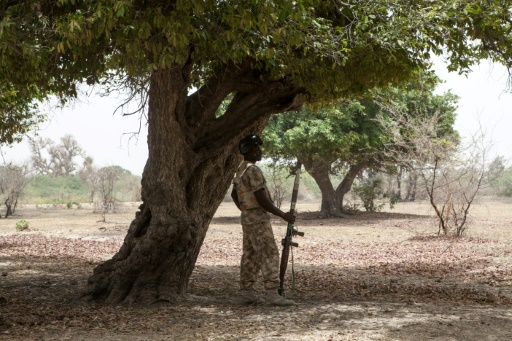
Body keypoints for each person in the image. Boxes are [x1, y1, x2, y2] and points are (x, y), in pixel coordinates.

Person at [231, 134, 297, 306]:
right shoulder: (253, 170)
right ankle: (272, 294)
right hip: (258, 219)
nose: (259, 151)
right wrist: (282, 215)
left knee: (250, 254)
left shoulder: (241, 168)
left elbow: (234, 194)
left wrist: (246, 210)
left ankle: (246, 292)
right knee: (269, 253)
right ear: (249, 151)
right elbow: (261, 197)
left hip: (247, 218)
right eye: (256, 148)